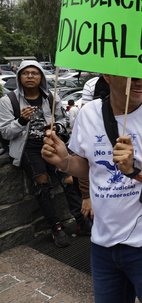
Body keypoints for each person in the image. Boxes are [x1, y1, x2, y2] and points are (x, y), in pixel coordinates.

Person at [41, 74, 142, 303]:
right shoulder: (88, 113)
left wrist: (134, 168)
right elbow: (88, 166)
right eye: (134, 78)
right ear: (108, 76)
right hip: (103, 241)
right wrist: (65, 162)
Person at [0, 61, 91, 248]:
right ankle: (56, 227)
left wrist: (56, 127)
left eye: (35, 72)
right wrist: (21, 120)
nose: (30, 76)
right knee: (42, 186)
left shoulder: (51, 96)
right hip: (29, 149)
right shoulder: (8, 101)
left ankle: (80, 220)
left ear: (41, 76)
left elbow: (62, 120)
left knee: (68, 180)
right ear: (19, 77)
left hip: (51, 144)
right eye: (26, 73)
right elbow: (5, 132)